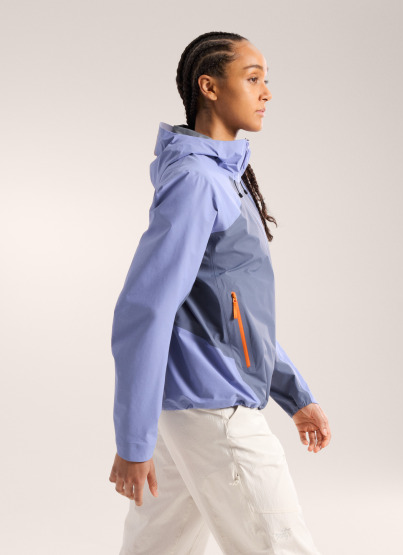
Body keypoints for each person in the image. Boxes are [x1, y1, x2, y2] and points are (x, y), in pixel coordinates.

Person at [109, 31, 331, 555]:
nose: (266, 92)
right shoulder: (197, 181)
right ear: (209, 87)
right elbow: (146, 310)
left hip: (192, 410)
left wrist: (294, 394)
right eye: (252, 79)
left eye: (265, 80)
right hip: (216, 413)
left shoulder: (224, 178)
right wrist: (132, 441)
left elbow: (233, 316)